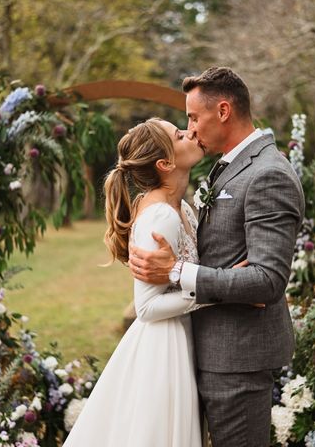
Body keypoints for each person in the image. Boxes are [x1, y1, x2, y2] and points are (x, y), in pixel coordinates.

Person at [129, 66, 305, 447]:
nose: (190, 128)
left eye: (193, 117)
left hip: (237, 359)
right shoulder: (227, 167)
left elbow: (268, 280)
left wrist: (177, 270)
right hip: (206, 352)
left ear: (223, 111)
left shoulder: (267, 174)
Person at [63, 117, 209, 446]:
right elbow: (146, 307)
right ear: (165, 163)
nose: (191, 132)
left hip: (182, 336)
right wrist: (213, 293)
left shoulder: (182, 208)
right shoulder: (161, 216)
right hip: (163, 348)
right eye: (179, 134)